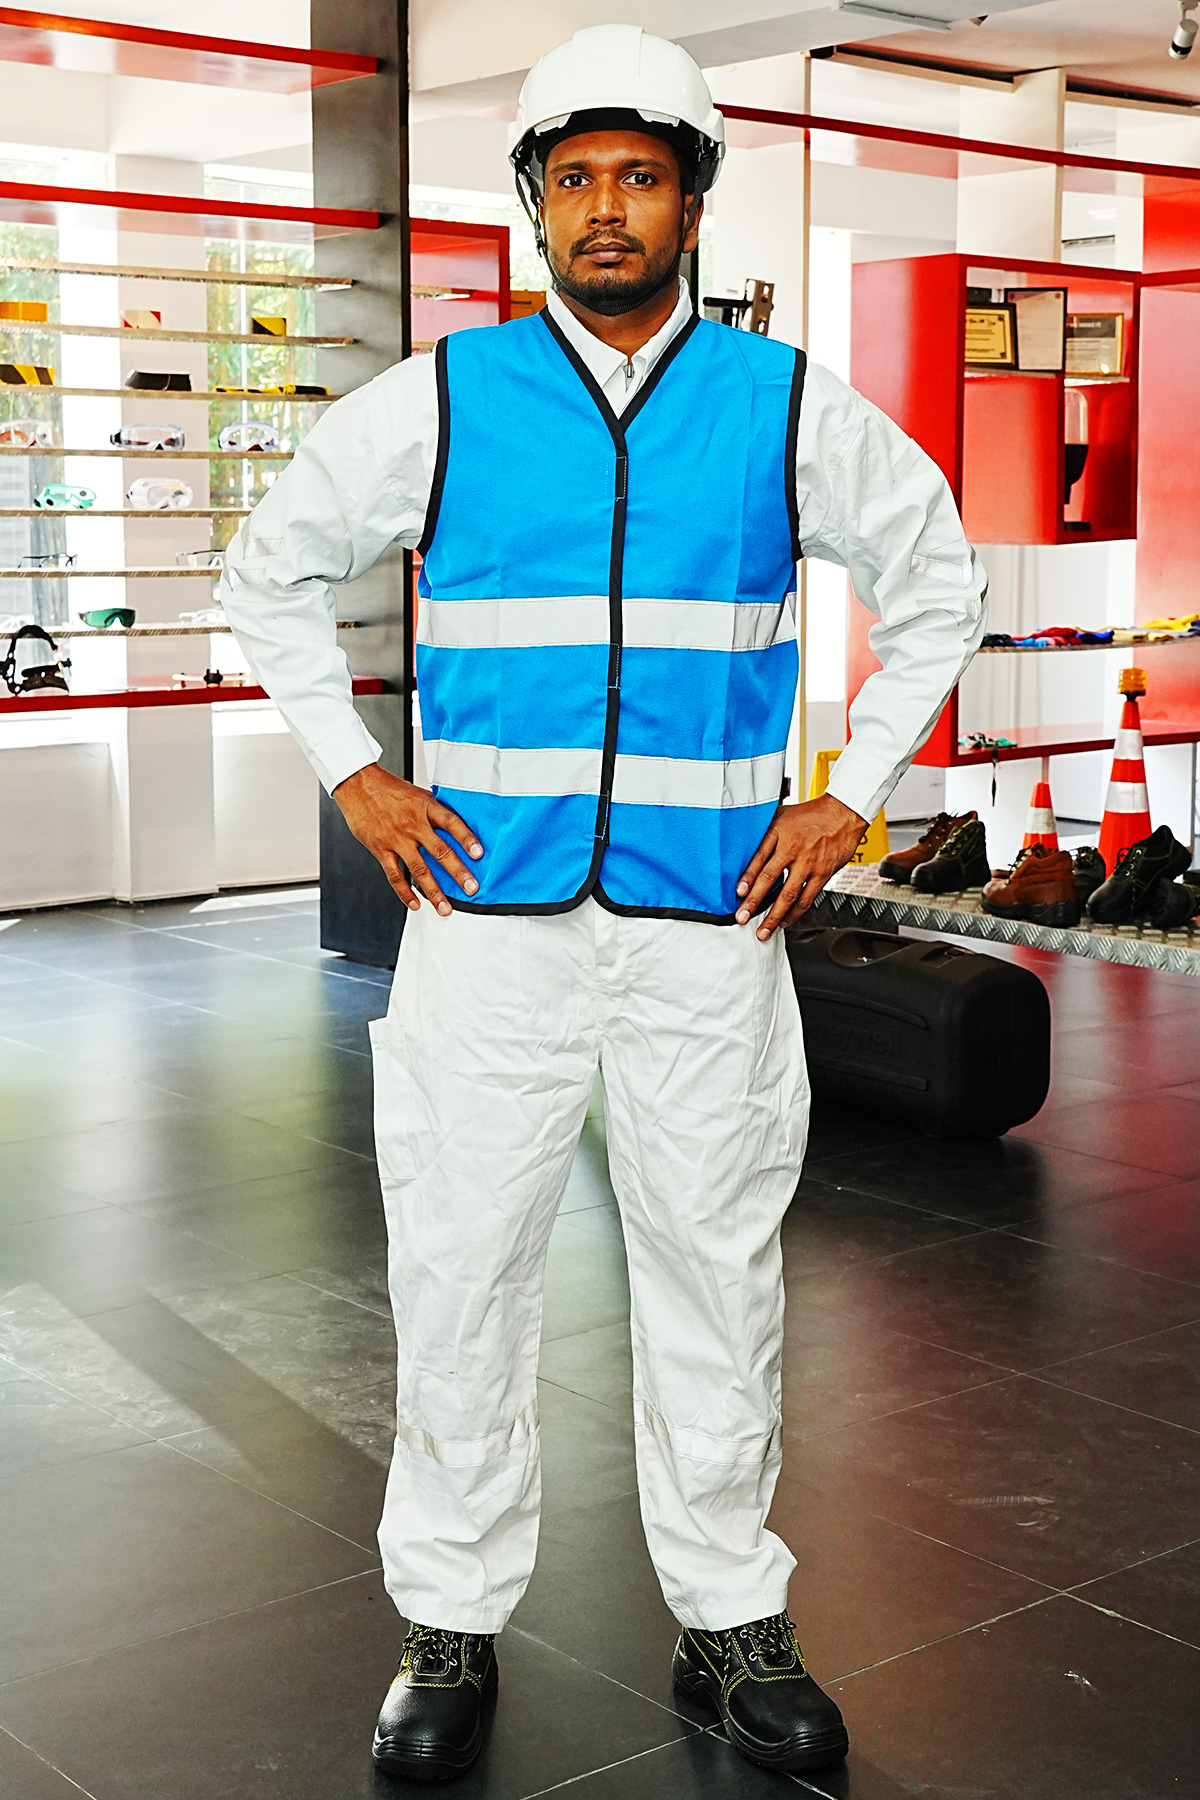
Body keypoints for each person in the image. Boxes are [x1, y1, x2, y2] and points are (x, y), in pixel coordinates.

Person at [222, 22, 986, 1784]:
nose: (608, 209)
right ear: (536, 205)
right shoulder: (447, 396)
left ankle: (731, 1616)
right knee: (461, 1267)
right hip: (488, 922)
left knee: (718, 1268)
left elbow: (936, 580)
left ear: (693, 203)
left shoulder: (781, 402)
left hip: (704, 926)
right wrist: (355, 774)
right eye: (575, 179)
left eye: (641, 176)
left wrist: (852, 792)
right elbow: (271, 571)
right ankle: (448, 1620)